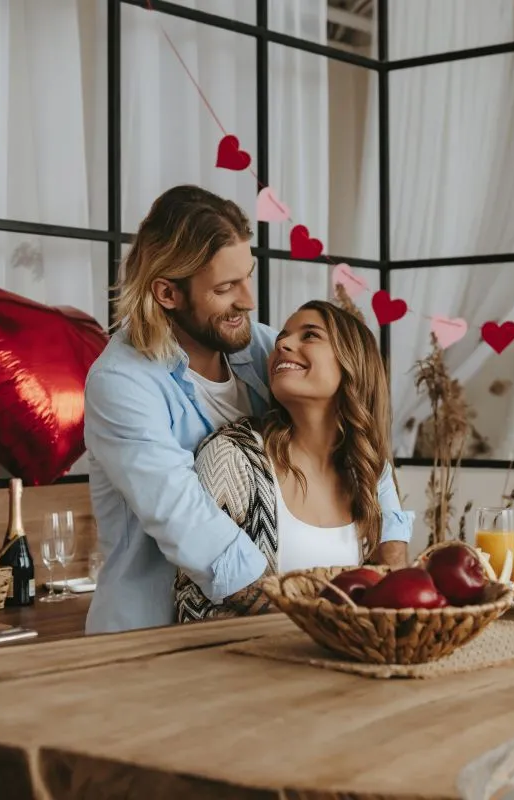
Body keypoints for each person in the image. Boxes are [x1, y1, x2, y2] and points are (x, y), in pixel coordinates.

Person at [82, 184, 412, 635]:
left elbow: (348, 423)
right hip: (150, 635)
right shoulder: (122, 384)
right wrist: (327, 621)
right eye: (225, 287)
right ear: (167, 293)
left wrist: (392, 565)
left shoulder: (257, 346)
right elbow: (192, 528)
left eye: (247, 276)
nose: (248, 300)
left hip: (257, 640)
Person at [175, 299, 409, 622]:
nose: (282, 343)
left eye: (310, 335)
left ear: (352, 363)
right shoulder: (233, 458)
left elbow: (389, 586)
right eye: (282, 336)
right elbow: (191, 604)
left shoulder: (367, 471)